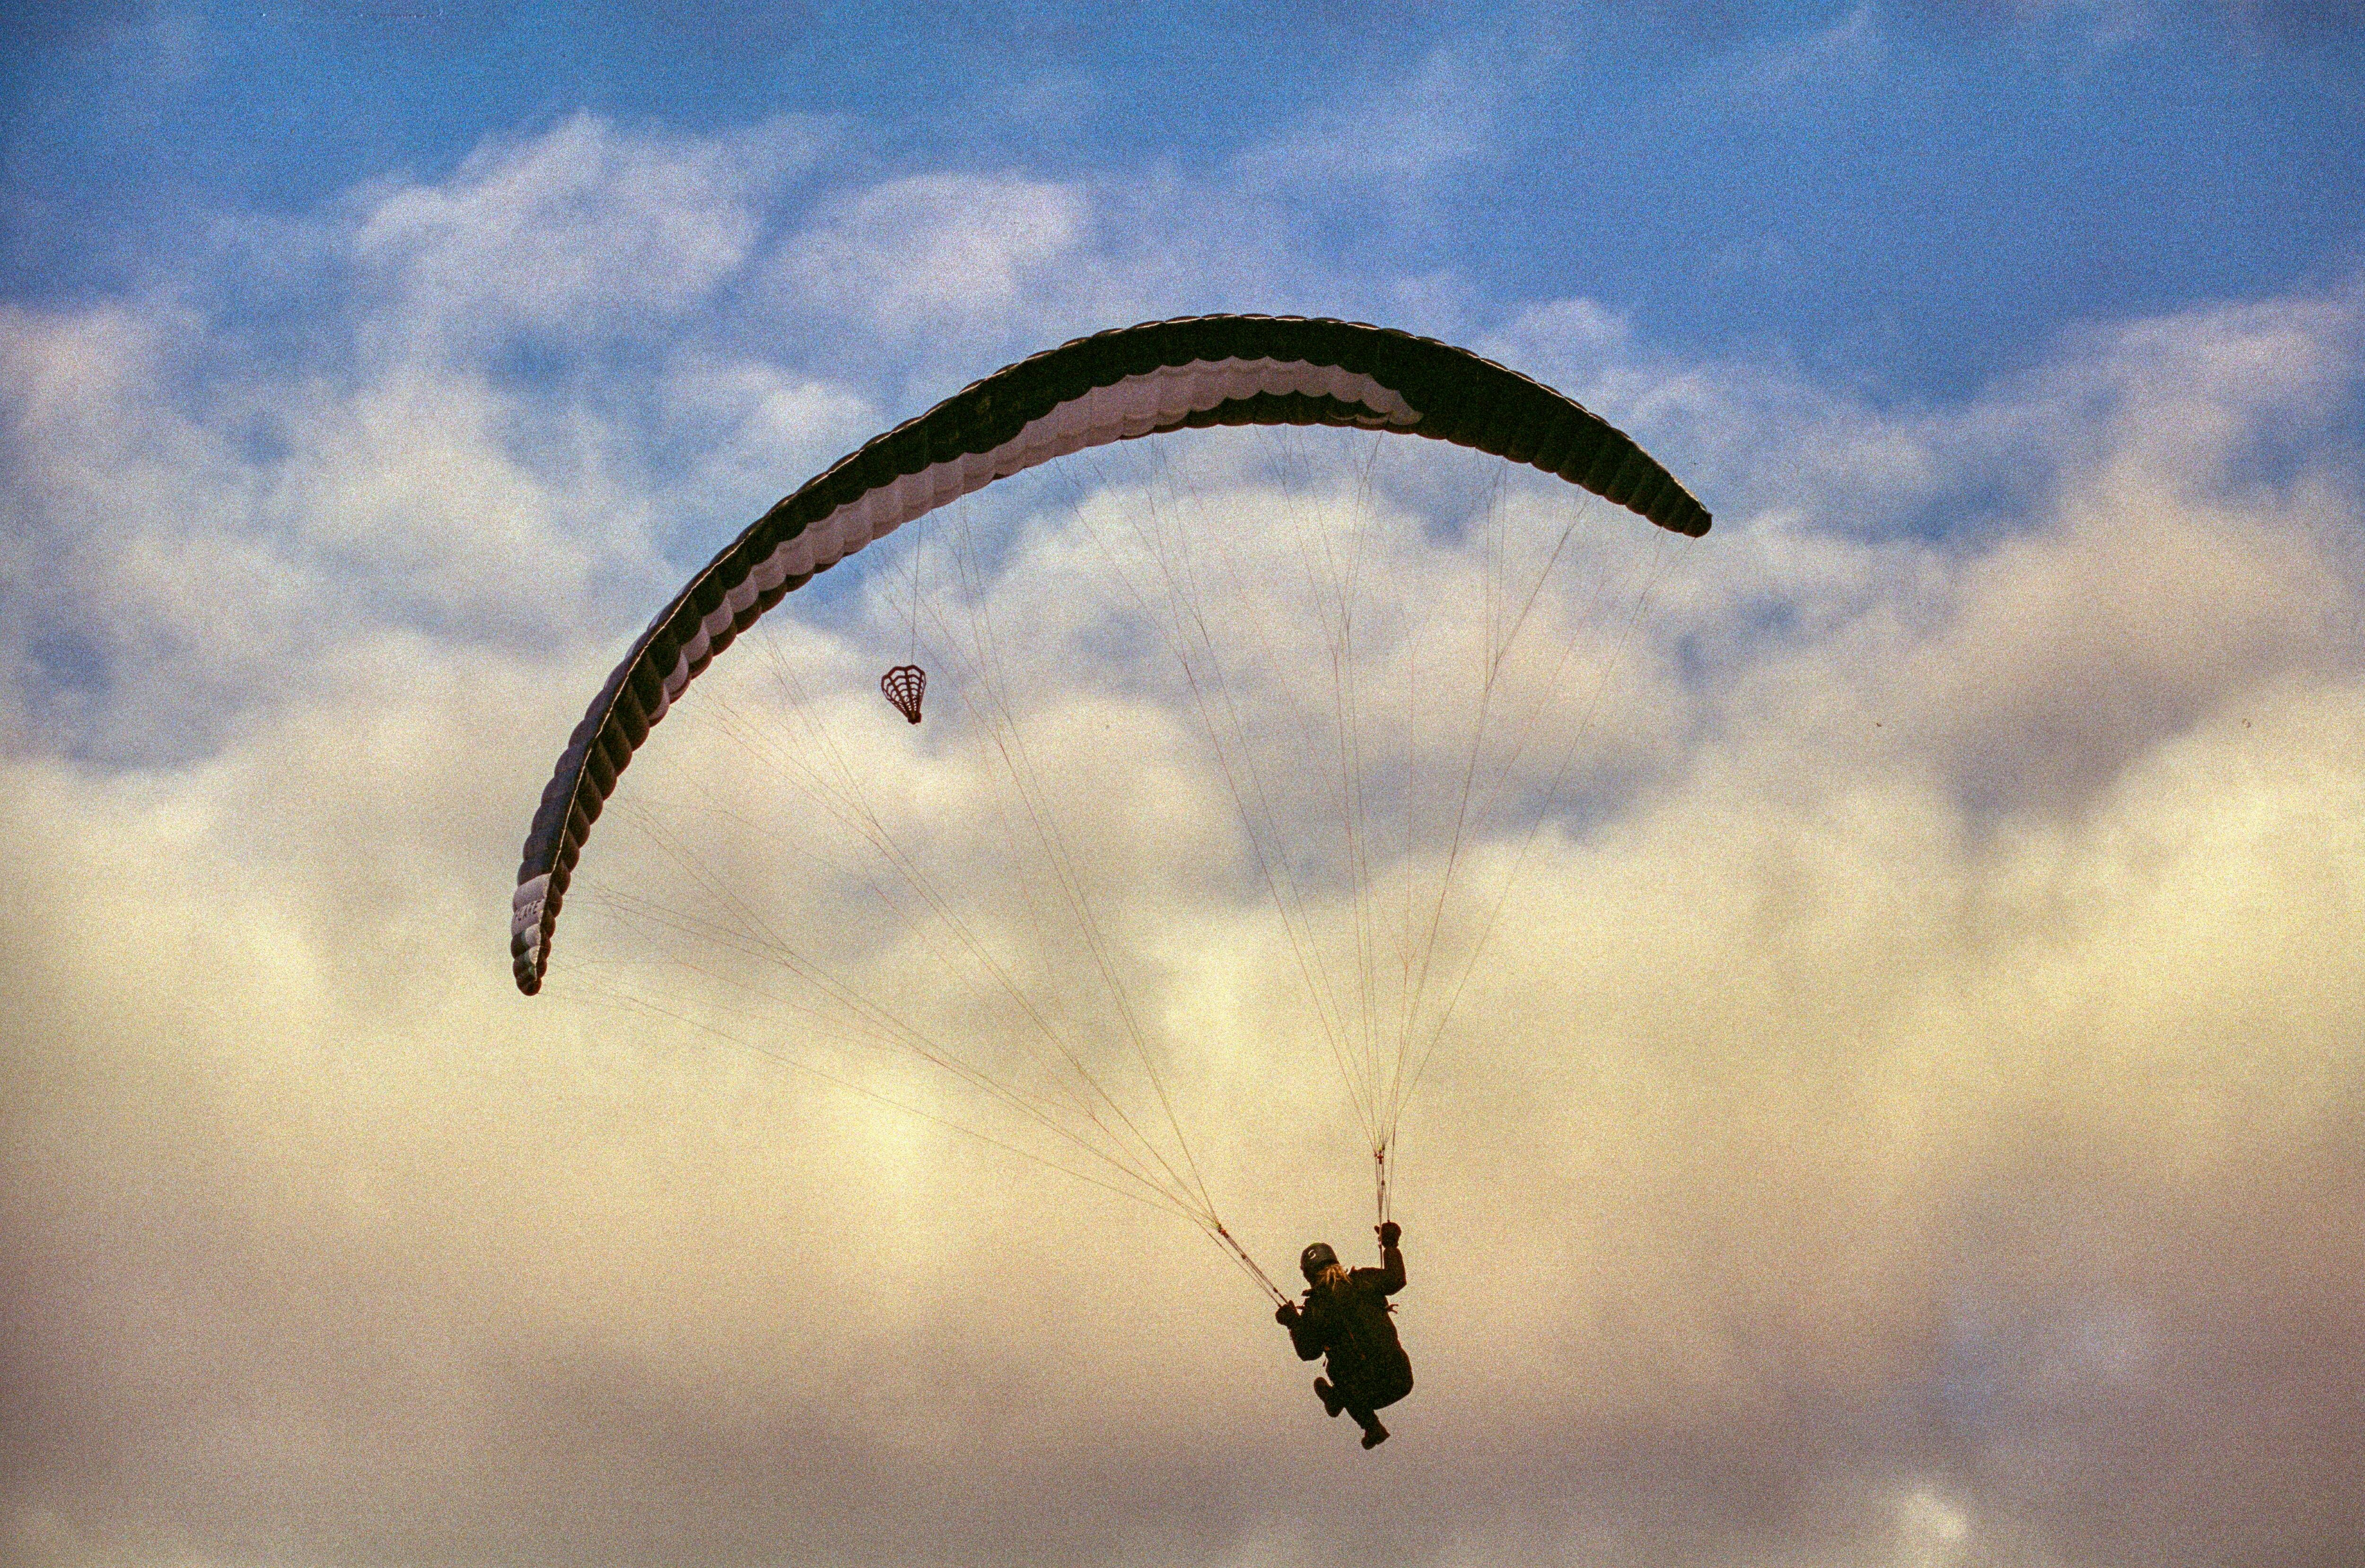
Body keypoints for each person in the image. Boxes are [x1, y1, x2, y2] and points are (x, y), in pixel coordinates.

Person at [1275, 1221, 1411, 1448]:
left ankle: (1366, 1422)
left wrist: (1293, 1323)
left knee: (1336, 1370)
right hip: (1401, 1380)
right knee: (1349, 1369)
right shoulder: (1364, 1280)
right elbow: (1396, 1279)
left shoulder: (1315, 1309)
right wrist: (1390, 1245)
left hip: (1366, 1392)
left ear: (1309, 1276)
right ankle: (1338, 1399)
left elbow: (1309, 1353)